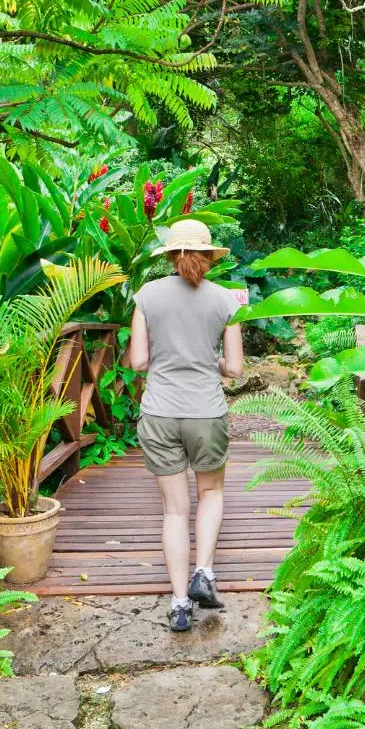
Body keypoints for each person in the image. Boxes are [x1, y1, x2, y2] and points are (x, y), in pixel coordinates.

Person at [128, 220, 244, 632]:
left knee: (174, 511)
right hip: (205, 412)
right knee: (210, 492)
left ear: (171, 255)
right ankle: (204, 574)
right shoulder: (227, 301)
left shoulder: (147, 296)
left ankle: (179, 605)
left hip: (159, 411)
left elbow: (138, 362)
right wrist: (206, 360)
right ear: (210, 256)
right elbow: (234, 368)